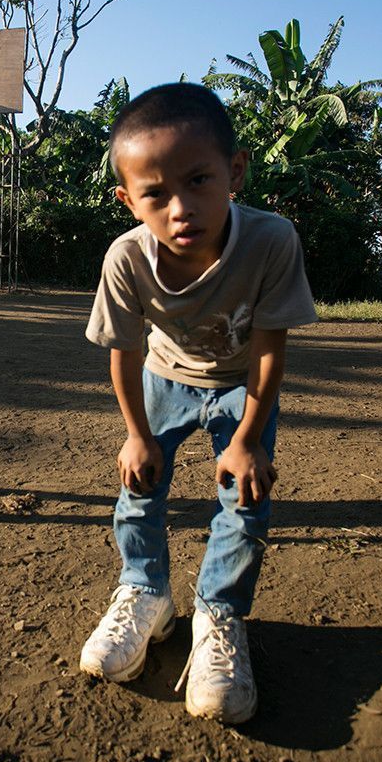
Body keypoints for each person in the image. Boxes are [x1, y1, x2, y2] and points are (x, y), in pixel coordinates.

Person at [78, 83, 317, 724]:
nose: (180, 208)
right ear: (128, 200)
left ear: (235, 171)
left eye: (199, 179)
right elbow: (123, 353)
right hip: (162, 378)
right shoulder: (126, 259)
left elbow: (270, 347)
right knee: (139, 487)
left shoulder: (271, 242)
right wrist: (136, 434)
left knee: (245, 497)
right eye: (154, 194)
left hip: (244, 384)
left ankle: (219, 613)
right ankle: (145, 591)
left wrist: (247, 438)